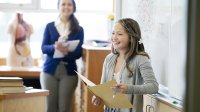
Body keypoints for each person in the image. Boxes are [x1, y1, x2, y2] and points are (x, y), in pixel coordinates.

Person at [92, 18, 158, 112]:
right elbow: (103, 87)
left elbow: (153, 87)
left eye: (119, 34)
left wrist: (128, 88)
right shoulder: (109, 59)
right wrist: (98, 96)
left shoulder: (141, 59)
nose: (114, 37)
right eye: (113, 33)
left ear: (131, 38)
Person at [40, 0, 84, 112]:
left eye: (69, 4)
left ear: (73, 7)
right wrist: (55, 47)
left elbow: (78, 53)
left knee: (65, 108)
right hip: (49, 71)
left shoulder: (79, 29)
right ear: (58, 7)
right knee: (50, 108)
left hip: (69, 72)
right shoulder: (50, 26)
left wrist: (66, 52)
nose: (66, 7)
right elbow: (44, 48)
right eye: (63, 4)